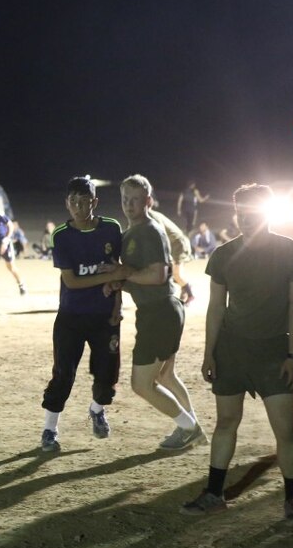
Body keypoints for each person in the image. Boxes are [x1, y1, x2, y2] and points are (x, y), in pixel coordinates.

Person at [181, 183, 293, 522]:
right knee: (226, 422)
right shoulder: (223, 255)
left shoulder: (292, 251)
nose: (246, 220)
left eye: (253, 214)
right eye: (241, 214)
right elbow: (215, 310)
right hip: (232, 350)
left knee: (285, 430)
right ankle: (214, 494)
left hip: (273, 352)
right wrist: (209, 353)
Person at [117, 175, 204, 450]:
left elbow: (157, 275)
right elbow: (140, 277)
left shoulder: (149, 230)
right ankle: (191, 427)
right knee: (165, 376)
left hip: (160, 313)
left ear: (148, 202)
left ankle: (190, 427)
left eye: (136, 200)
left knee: (141, 384)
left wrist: (124, 274)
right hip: (161, 311)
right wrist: (120, 281)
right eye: (125, 200)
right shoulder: (132, 232)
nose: (129, 205)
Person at [40, 176, 126, 453]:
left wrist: (117, 306)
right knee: (63, 374)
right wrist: (106, 279)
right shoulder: (62, 235)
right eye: (73, 201)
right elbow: (72, 281)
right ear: (67, 203)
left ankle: (97, 410)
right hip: (71, 318)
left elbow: (119, 270)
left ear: (94, 202)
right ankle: (49, 430)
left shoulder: (112, 229)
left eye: (84, 200)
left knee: (107, 376)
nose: (78, 206)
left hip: (105, 318)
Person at [149, 208, 196, 304]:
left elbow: (161, 234)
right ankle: (185, 288)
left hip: (178, 244)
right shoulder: (150, 214)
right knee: (173, 274)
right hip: (176, 244)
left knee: (176, 274)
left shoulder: (151, 215)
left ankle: (190, 295)